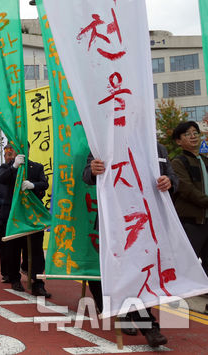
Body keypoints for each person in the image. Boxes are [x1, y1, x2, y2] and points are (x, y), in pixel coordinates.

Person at [83, 144, 174, 348]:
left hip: (146, 221)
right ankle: (145, 325)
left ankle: (141, 321)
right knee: (117, 271)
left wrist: (169, 182)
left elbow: (172, 178)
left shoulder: (156, 146)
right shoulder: (102, 143)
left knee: (140, 273)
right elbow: (86, 174)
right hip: (113, 222)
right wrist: (93, 169)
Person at [0, 144, 50, 296]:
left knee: (36, 250)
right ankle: (14, 278)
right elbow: (2, 180)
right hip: (12, 216)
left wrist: (33, 185)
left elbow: (44, 183)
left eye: (24, 148)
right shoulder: (5, 169)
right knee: (13, 249)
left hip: (32, 217)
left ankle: (38, 283)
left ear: (29, 149)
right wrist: (14, 166)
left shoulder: (36, 167)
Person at [170, 121, 208, 277]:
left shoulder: (205, 161)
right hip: (191, 222)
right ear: (179, 141)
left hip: (207, 221)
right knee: (185, 266)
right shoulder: (178, 162)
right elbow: (187, 190)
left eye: (195, 133)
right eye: (187, 134)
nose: (193, 136)